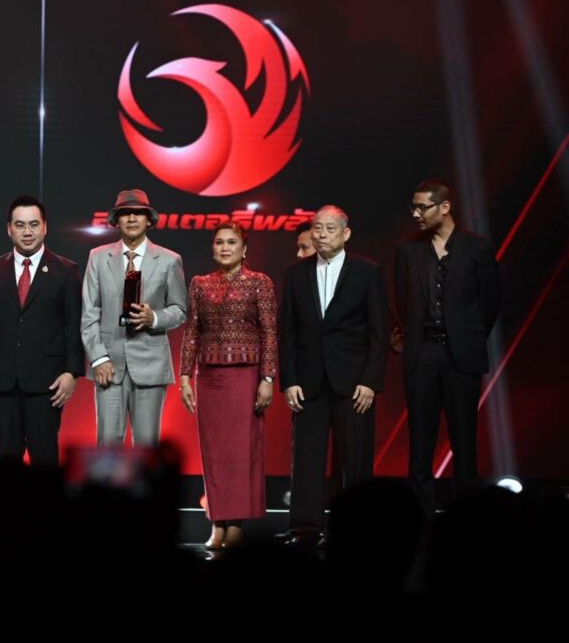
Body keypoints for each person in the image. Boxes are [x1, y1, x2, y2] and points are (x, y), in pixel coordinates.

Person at [278, 205, 387, 546]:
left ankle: (353, 528)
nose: (321, 234)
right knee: (306, 459)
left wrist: (370, 381)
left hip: (354, 383)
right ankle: (304, 528)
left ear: (346, 233)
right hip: (308, 381)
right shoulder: (295, 274)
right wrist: (289, 380)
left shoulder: (368, 272)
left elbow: (379, 333)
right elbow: (287, 333)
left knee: (354, 460)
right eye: (317, 228)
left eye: (329, 228)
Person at [395, 179, 499, 511]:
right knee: (420, 443)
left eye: (422, 207)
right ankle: (420, 519)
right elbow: (402, 303)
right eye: (413, 207)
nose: (415, 214)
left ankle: (466, 518)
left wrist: (467, 338)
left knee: (464, 441)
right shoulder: (408, 250)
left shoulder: (477, 248)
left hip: (461, 355)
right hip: (422, 353)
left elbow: (490, 303)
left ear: (444, 207)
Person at [179, 222, 277, 549]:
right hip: (208, 377)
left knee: (241, 452)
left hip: (245, 376)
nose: (224, 248)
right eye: (219, 242)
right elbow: (192, 331)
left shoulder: (259, 282)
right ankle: (217, 523)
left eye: (231, 242)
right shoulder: (200, 283)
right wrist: (184, 376)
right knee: (214, 453)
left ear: (244, 249)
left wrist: (267, 379)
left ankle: (236, 523)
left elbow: (269, 333)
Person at [0, 195, 84, 467]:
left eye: (33, 224)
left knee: (44, 464)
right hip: (1, 383)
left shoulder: (66, 271)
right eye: (20, 225)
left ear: (45, 227)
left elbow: (74, 324)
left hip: (47, 384)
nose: (27, 231)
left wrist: (72, 372)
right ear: (9, 229)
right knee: (6, 466)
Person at [81, 189, 187, 446]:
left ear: (149, 220)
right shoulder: (98, 257)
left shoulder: (170, 260)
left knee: (148, 448)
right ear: (116, 220)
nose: (131, 218)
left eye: (138, 213)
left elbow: (180, 309)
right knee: (107, 446)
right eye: (125, 213)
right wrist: (99, 358)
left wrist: (155, 318)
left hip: (151, 365)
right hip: (108, 366)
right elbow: (89, 313)